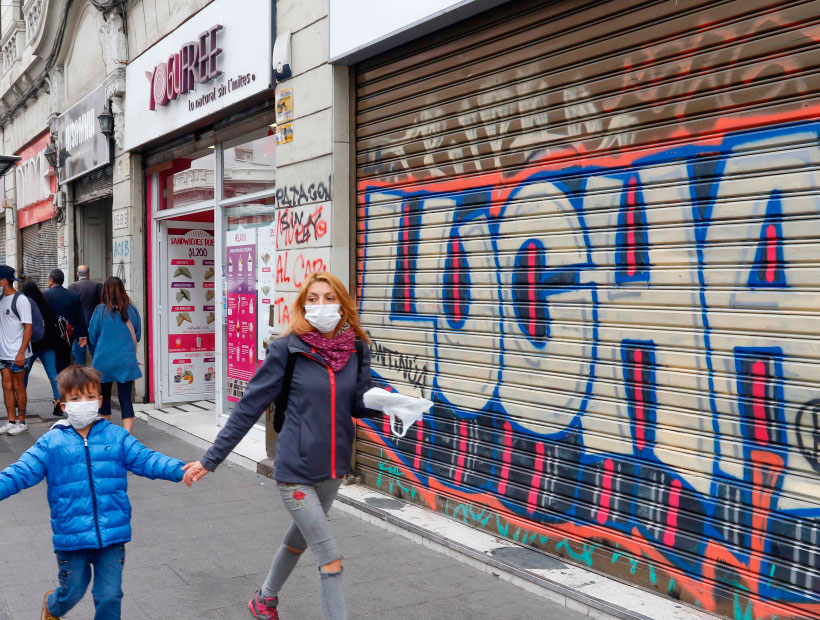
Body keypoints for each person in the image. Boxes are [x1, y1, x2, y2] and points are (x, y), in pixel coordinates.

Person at [183, 271, 381, 620]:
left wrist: (389, 406)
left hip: (333, 467)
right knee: (330, 558)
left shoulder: (357, 349)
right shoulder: (286, 350)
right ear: (303, 306)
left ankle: (264, 600)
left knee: (298, 540)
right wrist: (210, 460)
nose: (322, 305)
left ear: (343, 304)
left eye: (329, 297)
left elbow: (357, 404)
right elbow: (248, 408)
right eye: (313, 298)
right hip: (295, 470)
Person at [0, 365, 185, 620]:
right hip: (71, 535)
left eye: (89, 397)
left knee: (109, 596)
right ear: (63, 406)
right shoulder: (51, 443)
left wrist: (180, 470)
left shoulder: (117, 436)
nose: (83, 403)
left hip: (111, 533)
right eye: (75, 399)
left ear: (99, 401)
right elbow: (21, 472)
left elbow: (146, 459)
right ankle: (53, 606)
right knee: (71, 592)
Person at [89, 277, 141, 434]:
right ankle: (127, 434)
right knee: (125, 398)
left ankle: (106, 432)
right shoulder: (132, 310)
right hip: (126, 361)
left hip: (104, 362)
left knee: (103, 396)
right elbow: (137, 336)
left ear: (104, 291)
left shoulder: (100, 311)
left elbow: (92, 336)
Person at [21, 280, 68, 417]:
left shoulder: (26, 305)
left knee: (24, 374)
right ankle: (58, 402)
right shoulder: (46, 304)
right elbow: (53, 324)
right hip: (48, 345)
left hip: (31, 345)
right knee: (53, 374)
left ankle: (21, 401)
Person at [0, 265, 33, 437]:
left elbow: (28, 327)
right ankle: (11, 420)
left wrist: (21, 352)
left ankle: (22, 421)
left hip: (18, 353)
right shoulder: (1, 299)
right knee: (6, 386)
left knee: (18, 386)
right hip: (3, 353)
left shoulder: (21, 300)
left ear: (4, 281)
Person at [44, 268, 87, 373]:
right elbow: (80, 317)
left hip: (50, 336)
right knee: (65, 361)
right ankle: (64, 381)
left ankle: (58, 383)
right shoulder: (73, 295)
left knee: (52, 363)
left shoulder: (45, 295)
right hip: (68, 335)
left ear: (51, 280)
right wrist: (82, 335)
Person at [69, 265, 101, 365]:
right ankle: (99, 378)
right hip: (94, 325)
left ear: (77, 274)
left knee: (79, 356)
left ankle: (80, 378)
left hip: (78, 327)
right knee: (96, 353)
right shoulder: (98, 286)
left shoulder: (72, 287)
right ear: (88, 274)